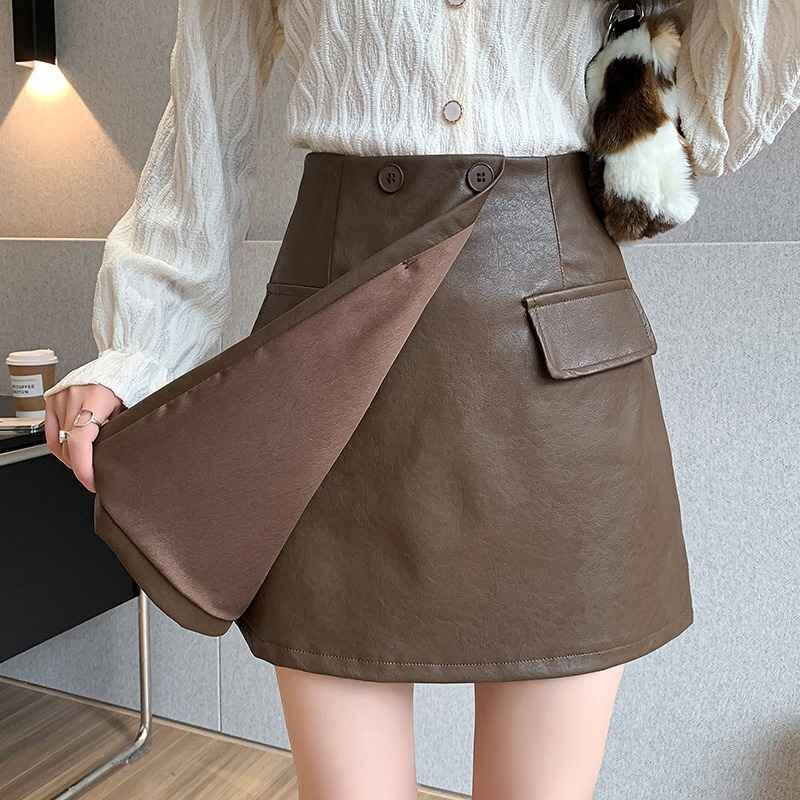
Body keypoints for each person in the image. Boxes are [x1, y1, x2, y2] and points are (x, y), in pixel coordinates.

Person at [43, 1, 798, 797]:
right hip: (335, 357)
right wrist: (142, 347)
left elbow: (725, 112)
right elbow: (205, 105)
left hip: (559, 361)